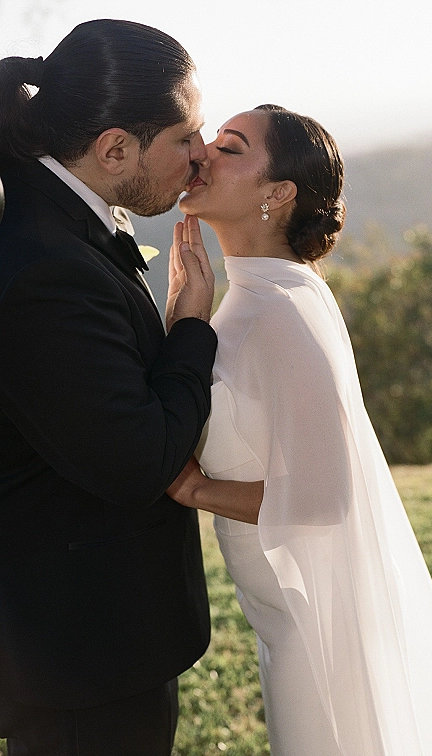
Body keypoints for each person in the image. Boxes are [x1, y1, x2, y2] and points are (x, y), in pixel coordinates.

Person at [167, 104, 432, 755]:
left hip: (313, 631)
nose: (203, 153)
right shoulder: (256, 293)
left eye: (230, 148)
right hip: (284, 613)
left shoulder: (281, 308)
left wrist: (193, 488)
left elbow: (322, 497)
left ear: (278, 193)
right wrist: (184, 320)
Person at [0, 20, 217, 756]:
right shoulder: (43, 267)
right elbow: (137, 463)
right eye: (185, 138)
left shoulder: (55, 212)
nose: (202, 155)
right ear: (114, 148)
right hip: (78, 662)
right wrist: (190, 326)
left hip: (87, 648)